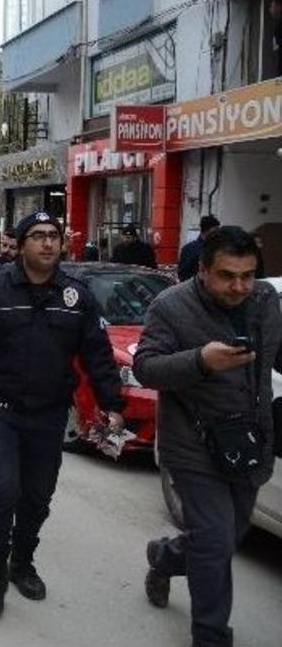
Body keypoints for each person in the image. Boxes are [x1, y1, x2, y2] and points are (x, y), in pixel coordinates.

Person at [0, 211, 125, 621]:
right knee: (3, 490)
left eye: (53, 235)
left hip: (49, 415)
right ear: (21, 246)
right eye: (37, 236)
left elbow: (98, 354)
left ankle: (22, 561)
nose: (47, 243)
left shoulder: (77, 296)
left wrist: (112, 404)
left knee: (37, 497)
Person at [132, 226, 279, 647]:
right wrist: (200, 361)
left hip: (250, 443)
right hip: (193, 445)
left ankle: (165, 557)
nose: (239, 286)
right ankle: (211, 637)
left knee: (226, 536)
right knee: (215, 545)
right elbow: (146, 367)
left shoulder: (267, 301)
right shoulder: (170, 306)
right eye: (227, 276)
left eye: (248, 275)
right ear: (202, 271)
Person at [178, 215, 221, 282]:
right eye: (214, 231)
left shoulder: (217, 247)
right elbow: (183, 274)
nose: (216, 234)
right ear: (206, 230)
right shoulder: (190, 249)